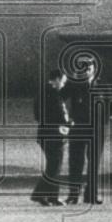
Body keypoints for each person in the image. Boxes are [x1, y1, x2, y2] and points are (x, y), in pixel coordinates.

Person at [66, 60, 111, 205]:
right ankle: (73, 194)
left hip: (96, 129)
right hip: (78, 127)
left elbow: (109, 104)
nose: (86, 71)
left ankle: (91, 194)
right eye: (83, 68)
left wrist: (104, 122)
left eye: (89, 68)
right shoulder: (74, 84)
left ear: (94, 69)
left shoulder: (102, 85)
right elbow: (60, 96)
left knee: (94, 163)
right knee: (75, 162)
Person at [30, 68, 72, 206]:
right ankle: (40, 195)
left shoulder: (42, 92)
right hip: (53, 134)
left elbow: (38, 115)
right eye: (63, 81)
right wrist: (69, 123)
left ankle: (50, 196)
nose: (64, 84)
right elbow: (61, 114)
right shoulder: (53, 94)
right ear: (58, 79)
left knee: (54, 165)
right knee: (55, 166)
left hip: (44, 133)